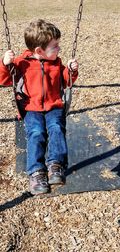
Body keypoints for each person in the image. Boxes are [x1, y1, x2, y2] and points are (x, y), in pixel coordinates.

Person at [0, 19, 79, 195]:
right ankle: (36, 172)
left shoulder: (56, 63)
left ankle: (55, 165)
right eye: (55, 46)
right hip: (30, 107)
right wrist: (5, 64)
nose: (59, 49)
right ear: (39, 51)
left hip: (54, 105)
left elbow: (66, 82)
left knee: (57, 128)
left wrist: (71, 71)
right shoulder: (22, 62)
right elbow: (4, 80)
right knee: (36, 133)